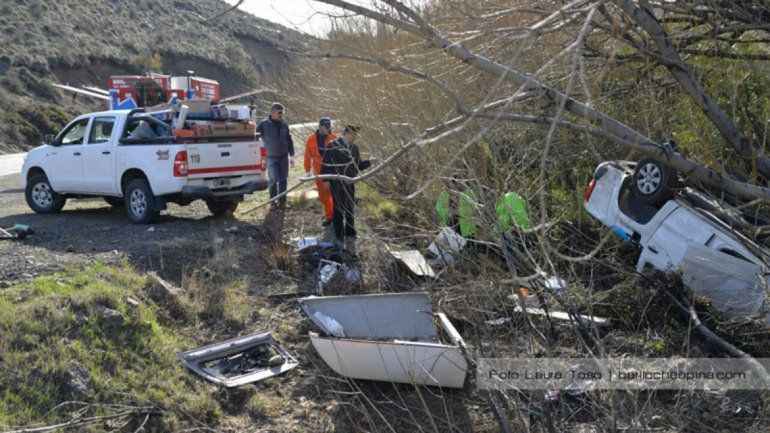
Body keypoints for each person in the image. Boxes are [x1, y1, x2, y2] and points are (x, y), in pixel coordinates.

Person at [321, 124, 377, 254]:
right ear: (346, 133)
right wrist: (325, 180)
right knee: (338, 209)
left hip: (350, 183)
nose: (355, 137)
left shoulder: (355, 148)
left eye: (356, 135)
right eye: (353, 135)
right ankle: (339, 236)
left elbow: (358, 166)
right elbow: (325, 165)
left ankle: (350, 233)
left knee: (350, 208)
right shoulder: (333, 145)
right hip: (336, 183)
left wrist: (369, 161)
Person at [256, 103, 295, 209]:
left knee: (283, 180)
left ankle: (282, 202)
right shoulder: (263, 124)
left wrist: (292, 156)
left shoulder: (284, 124)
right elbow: (255, 138)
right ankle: (273, 202)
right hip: (270, 157)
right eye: (280, 113)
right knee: (273, 179)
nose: (282, 115)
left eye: (283, 113)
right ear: (272, 112)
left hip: (283, 157)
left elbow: (289, 141)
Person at [304, 117, 338, 226]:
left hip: (333, 172)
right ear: (320, 126)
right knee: (324, 196)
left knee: (335, 194)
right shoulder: (311, 139)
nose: (327, 129)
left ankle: (336, 215)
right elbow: (307, 156)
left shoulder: (335, 138)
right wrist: (307, 170)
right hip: (319, 173)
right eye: (325, 127)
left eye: (329, 127)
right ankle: (330, 215)